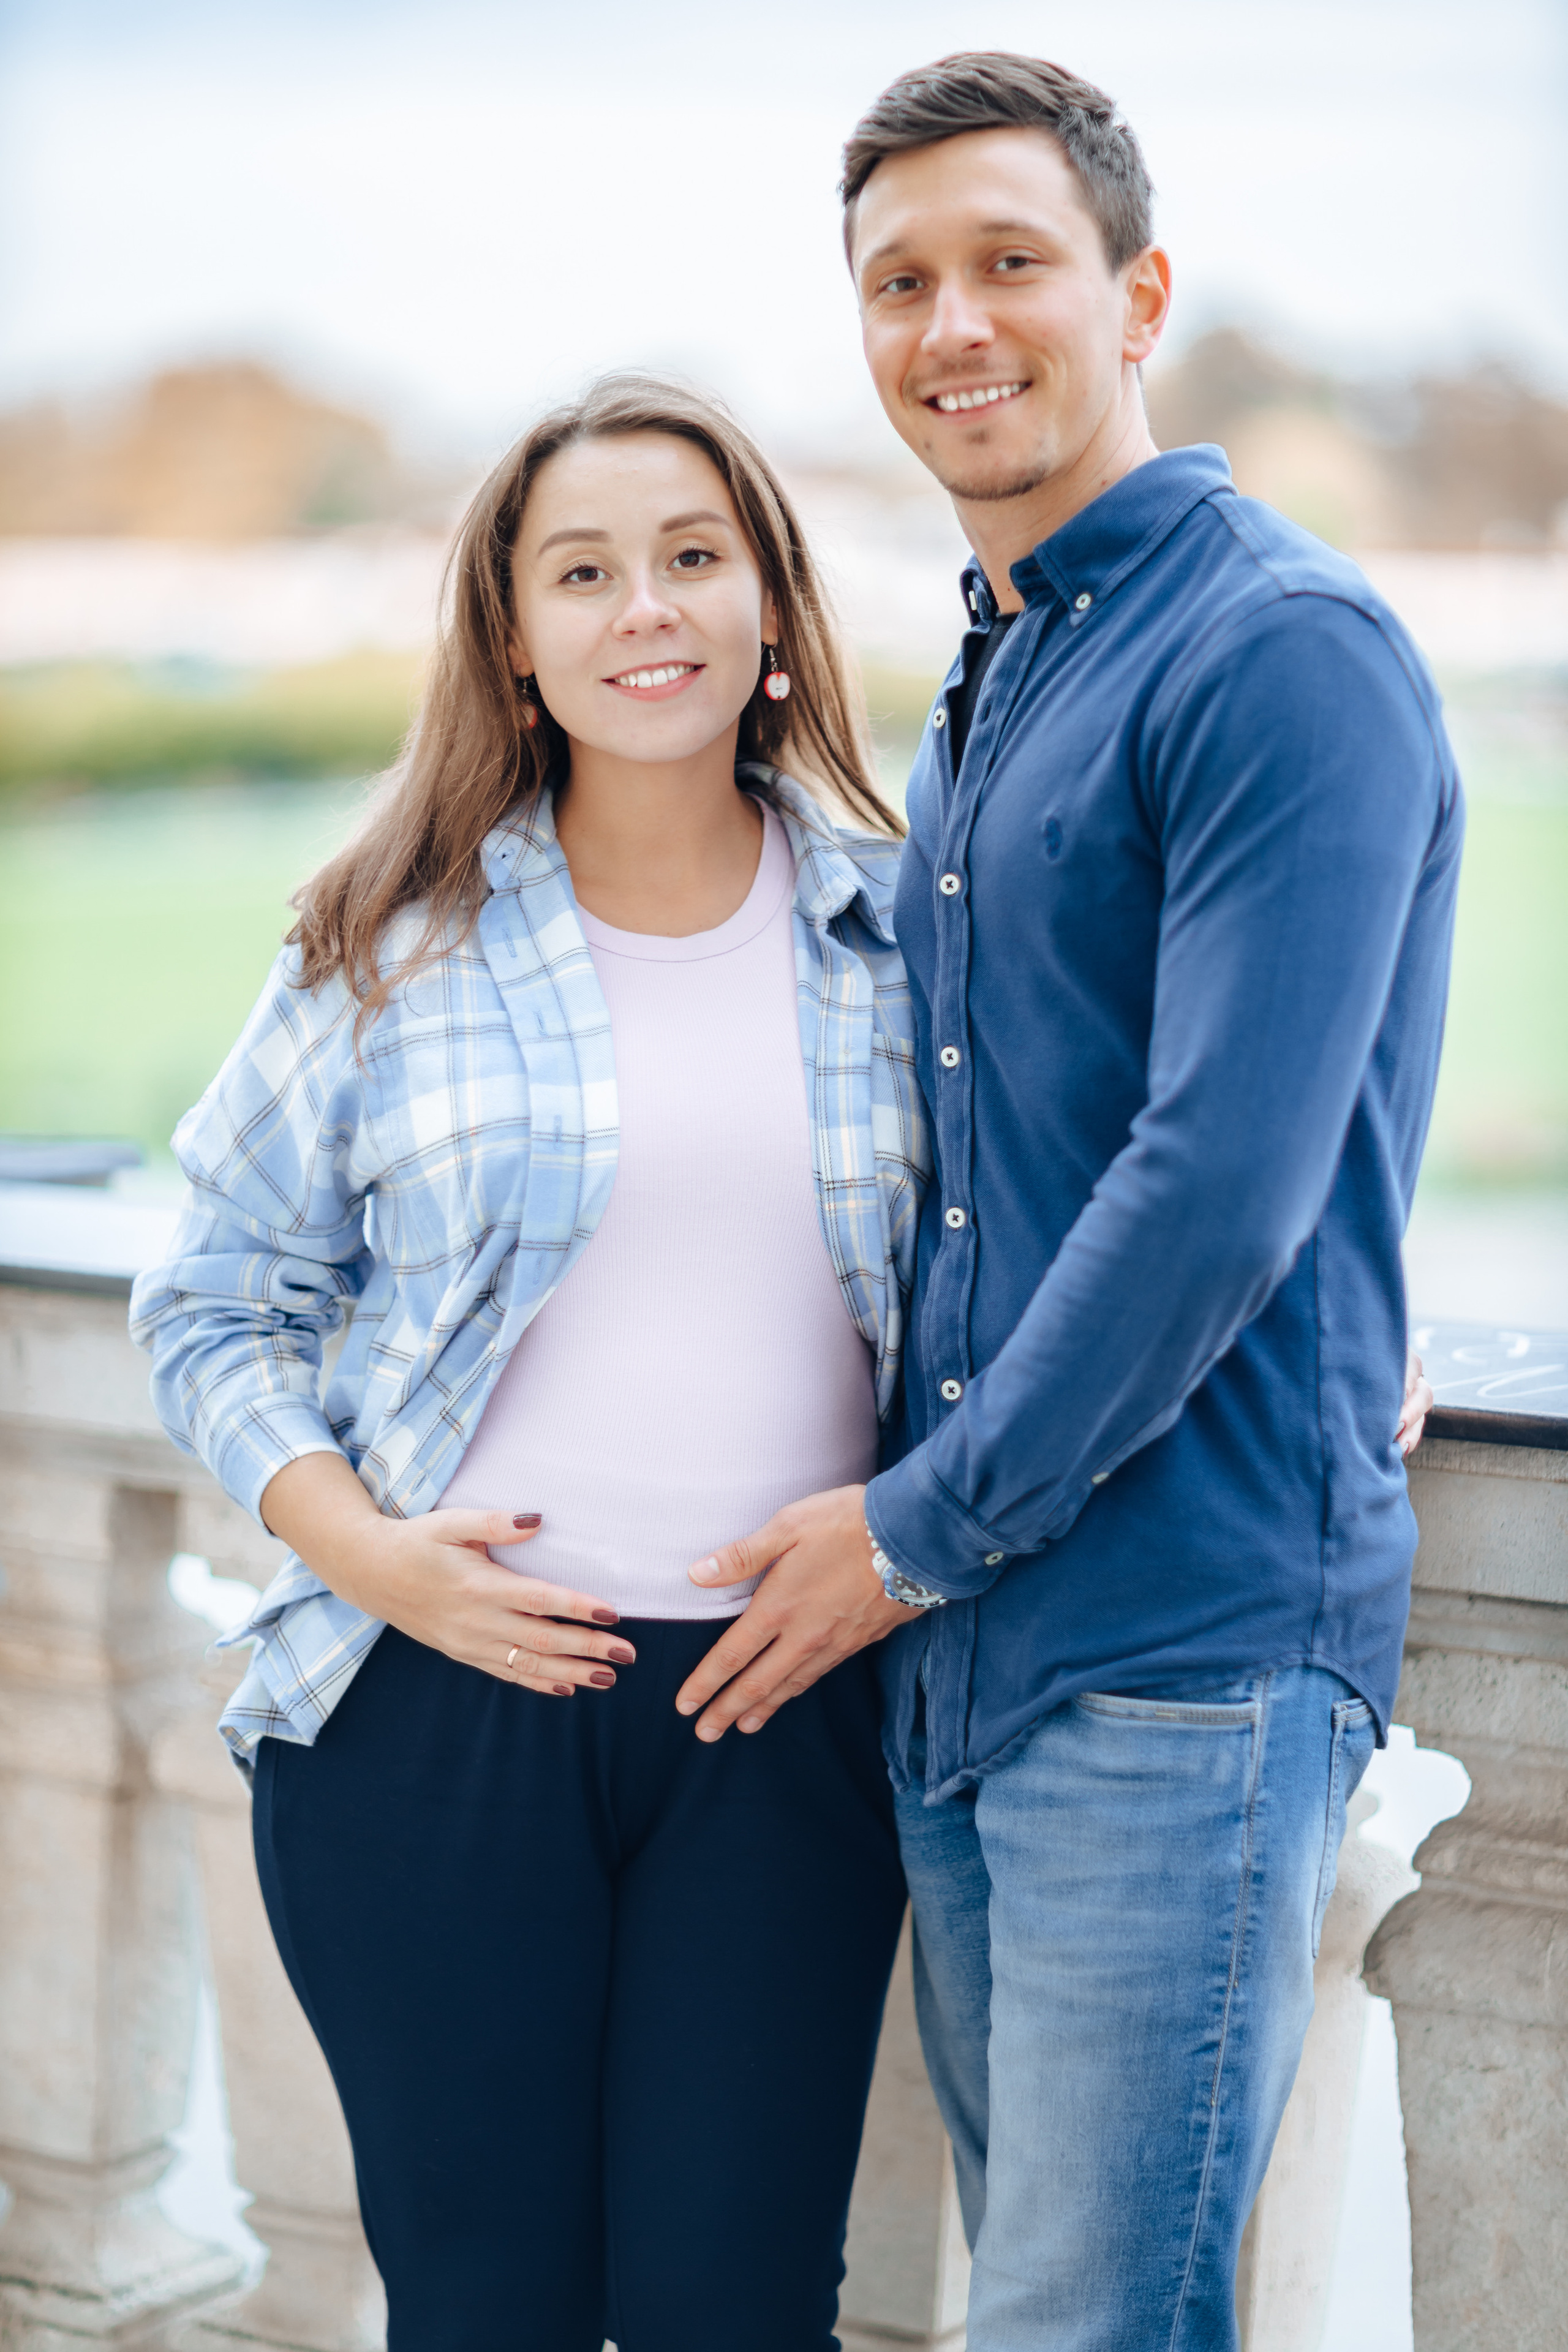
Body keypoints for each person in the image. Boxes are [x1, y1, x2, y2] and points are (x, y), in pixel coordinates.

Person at [671, 53, 1460, 2352]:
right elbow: (990, 1150)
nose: (954, 326)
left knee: (1079, 2329)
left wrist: (909, 1525)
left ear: (1140, 296)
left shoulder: (1275, 649)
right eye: (898, 282)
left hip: (1179, 1650)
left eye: (1010, 262)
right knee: (1039, 2299)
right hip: (973, 1650)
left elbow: (1218, 1174)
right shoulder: (1003, 667)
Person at [129, 375, 924, 2352]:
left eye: (690, 557)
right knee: (486, 2306)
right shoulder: (388, 938)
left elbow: (1101, 1221)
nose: (642, 607)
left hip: (782, 1710)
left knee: (735, 2307)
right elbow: (211, 1296)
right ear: (513, 634)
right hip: (434, 1715)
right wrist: (371, 1556)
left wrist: (1349, 1340)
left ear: (767, 607)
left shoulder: (907, 932)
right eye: (584, 571)